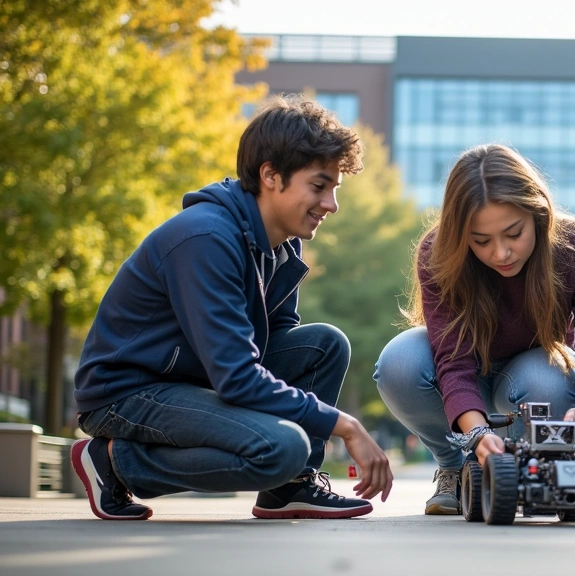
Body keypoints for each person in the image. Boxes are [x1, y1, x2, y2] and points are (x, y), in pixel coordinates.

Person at [72, 94, 393, 521]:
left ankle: (289, 489)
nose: (331, 204)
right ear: (271, 176)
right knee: (282, 448)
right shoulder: (206, 239)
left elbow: (273, 342)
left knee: (323, 345)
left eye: (334, 189)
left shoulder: (280, 241)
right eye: (319, 186)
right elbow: (239, 377)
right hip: (128, 391)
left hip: (196, 377)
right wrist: (344, 424)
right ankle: (113, 463)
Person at [374, 144, 575, 515]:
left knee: (548, 377)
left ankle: (536, 466)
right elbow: (453, 365)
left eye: (513, 233)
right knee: (400, 361)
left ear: (538, 212)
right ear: (461, 235)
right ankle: (454, 466)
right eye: (481, 241)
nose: (501, 253)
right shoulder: (436, 253)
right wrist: (476, 436)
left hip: (531, 382)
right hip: (458, 379)